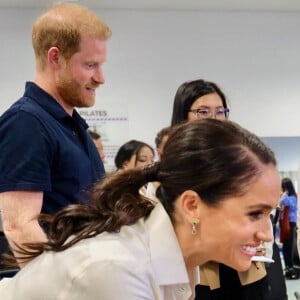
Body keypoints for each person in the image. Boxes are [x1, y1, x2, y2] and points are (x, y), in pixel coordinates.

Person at [0, 119, 280, 300]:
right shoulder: (118, 269)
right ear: (192, 206)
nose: (267, 234)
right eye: (254, 213)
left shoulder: (173, 257)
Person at [0, 3, 111, 267]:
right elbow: (19, 226)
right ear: (55, 58)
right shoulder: (25, 123)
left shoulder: (72, 124)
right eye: (91, 65)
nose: (101, 78)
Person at [170, 79, 287, 300]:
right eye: (203, 111)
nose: (214, 118)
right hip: (203, 272)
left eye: (220, 111)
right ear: (183, 116)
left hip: (245, 269)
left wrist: (258, 241)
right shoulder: (176, 166)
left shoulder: (239, 158)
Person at [279, 177, 298, 279]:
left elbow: (284, 201)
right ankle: (288, 270)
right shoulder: (288, 196)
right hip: (285, 225)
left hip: (290, 224)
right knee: (286, 248)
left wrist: (284, 194)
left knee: (289, 249)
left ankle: (291, 271)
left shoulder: (293, 197)